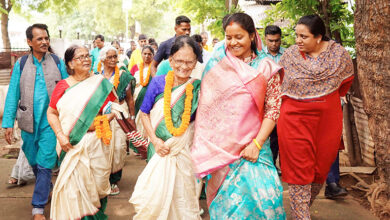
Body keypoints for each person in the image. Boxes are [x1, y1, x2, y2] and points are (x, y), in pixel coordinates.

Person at [191, 13, 286, 219]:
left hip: (255, 148)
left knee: (267, 203)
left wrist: (257, 144)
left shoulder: (266, 67)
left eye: (239, 37)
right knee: (228, 210)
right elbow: (206, 109)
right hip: (221, 151)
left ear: (252, 36)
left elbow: (273, 109)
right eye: (228, 37)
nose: (233, 42)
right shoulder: (217, 63)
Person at [277, 15, 354, 220]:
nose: (298, 40)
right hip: (293, 117)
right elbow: (280, 82)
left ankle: (300, 210)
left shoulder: (339, 56)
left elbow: (345, 84)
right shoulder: (290, 56)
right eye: (296, 35)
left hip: (326, 119)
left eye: (304, 36)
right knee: (299, 169)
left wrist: (323, 95)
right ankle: (301, 215)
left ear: (319, 37)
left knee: (320, 168)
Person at [129, 36, 202, 219]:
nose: (184, 67)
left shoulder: (197, 87)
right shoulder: (158, 82)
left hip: (184, 150)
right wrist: (155, 140)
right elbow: (144, 113)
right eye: (179, 61)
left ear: (195, 63)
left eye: (189, 62)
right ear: (170, 61)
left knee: (183, 197)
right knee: (156, 196)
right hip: (159, 147)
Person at [2, 23, 68, 220]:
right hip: (28, 123)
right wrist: (7, 123)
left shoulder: (57, 62)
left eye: (46, 38)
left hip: (51, 122)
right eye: (39, 39)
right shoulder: (21, 64)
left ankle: (38, 208)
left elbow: (67, 89)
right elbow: (13, 94)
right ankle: (46, 186)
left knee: (45, 161)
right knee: (33, 160)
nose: (44, 41)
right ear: (29, 42)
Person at [48, 45, 118, 219]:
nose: (86, 59)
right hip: (71, 144)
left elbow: (115, 109)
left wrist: (99, 122)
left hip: (97, 143)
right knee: (72, 189)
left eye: (88, 56)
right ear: (70, 64)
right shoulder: (63, 86)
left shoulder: (100, 84)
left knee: (95, 188)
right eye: (80, 57)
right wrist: (60, 135)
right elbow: (51, 112)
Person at [97, 45, 136, 195]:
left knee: (119, 148)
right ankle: (104, 179)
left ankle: (114, 180)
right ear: (103, 59)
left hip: (119, 113)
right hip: (101, 115)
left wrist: (132, 117)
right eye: (110, 57)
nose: (113, 59)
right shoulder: (96, 76)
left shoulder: (124, 76)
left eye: (115, 56)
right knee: (103, 146)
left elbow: (130, 99)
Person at [262, 25, 285, 173]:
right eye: (270, 41)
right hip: (265, 100)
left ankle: (285, 167)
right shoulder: (259, 56)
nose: (274, 44)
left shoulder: (288, 55)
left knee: (282, 135)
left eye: (277, 40)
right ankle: (270, 166)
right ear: (265, 39)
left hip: (284, 100)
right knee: (269, 134)